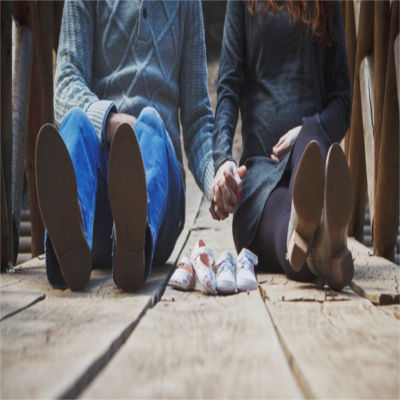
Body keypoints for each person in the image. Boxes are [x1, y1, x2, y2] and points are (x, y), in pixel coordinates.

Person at [35, 0, 214, 291]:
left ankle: (136, 240)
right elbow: (66, 83)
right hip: (100, 205)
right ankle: (70, 244)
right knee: (76, 122)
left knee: (151, 121)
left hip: (161, 202)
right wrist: (110, 121)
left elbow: (198, 116)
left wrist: (215, 178)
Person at [210, 0, 354, 290]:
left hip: (311, 154)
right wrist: (222, 159)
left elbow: (342, 102)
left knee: (312, 134)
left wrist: (304, 132)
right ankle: (325, 244)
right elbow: (228, 89)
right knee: (290, 227)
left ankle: (316, 241)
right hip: (260, 176)